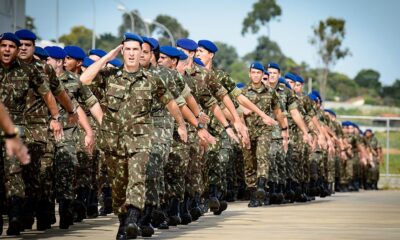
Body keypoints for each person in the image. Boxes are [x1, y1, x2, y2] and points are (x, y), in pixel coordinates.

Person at [80, 33, 187, 239]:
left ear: (141, 53)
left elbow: (171, 103)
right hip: (114, 142)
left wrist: (181, 124)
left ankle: (132, 219)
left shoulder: (151, 79)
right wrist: (107, 58)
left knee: (137, 180)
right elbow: (84, 80)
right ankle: (123, 222)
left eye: (135, 50)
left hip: (140, 139)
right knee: (119, 186)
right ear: (122, 50)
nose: (131, 54)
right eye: (127, 49)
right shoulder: (110, 77)